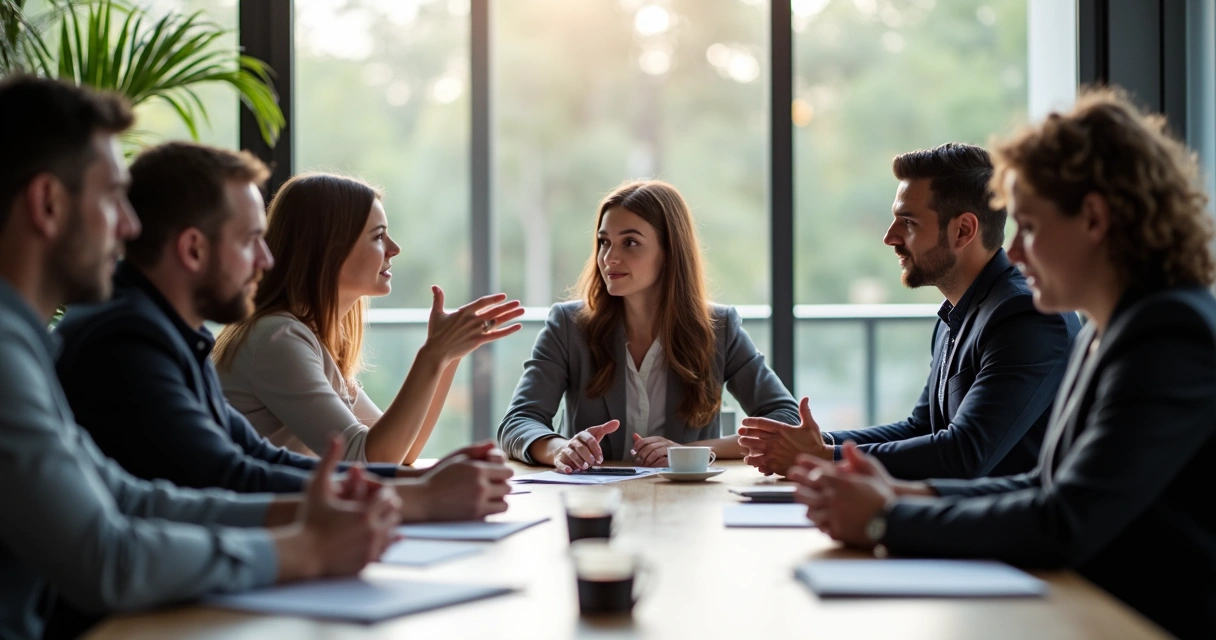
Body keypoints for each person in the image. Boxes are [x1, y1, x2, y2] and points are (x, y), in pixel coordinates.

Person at [788, 89, 1216, 639]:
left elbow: (1064, 521)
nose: (1014, 254)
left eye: (1030, 227)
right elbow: (1043, 482)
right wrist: (897, 494)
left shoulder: (1167, 334)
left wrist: (884, 518)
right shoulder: (1113, 330)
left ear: (1093, 219)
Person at [0, 75, 400, 640]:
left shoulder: (33, 342)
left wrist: (367, 503)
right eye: (112, 197)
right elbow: (109, 556)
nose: (131, 226)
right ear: (47, 203)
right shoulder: (86, 342)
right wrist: (304, 548)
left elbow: (127, 497)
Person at [55, 142, 512, 521]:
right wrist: (419, 495)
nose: (266, 259)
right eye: (250, 240)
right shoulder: (136, 340)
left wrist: (422, 479)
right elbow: (233, 478)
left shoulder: (176, 338)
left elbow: (263, 459)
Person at [739, 143, 1080, 480]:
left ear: (963, 230)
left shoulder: (1027, 316)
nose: (890, 237)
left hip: (1007, 530)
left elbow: (965, 453)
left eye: (909, 223)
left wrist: (826, 455)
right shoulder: (957, 314)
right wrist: (819, 444)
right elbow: (920, 428)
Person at [212, 172, 524, 465]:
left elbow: (402, 451)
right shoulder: (277, 339)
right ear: (329, 248)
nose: (394, 249)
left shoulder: (304, 336)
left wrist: (447, 355)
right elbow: (369, 461)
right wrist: (433, 354)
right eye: (378, 237)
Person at [498, 180, 799, 472]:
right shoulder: (568, 326)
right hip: (595, 504)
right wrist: (560, 449)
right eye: (604, 242)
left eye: (630, 243)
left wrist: (692, 451)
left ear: (669, 253)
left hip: (685, 507)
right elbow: (519, 421)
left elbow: (787, 420)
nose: (610, 258)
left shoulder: (719, 329)